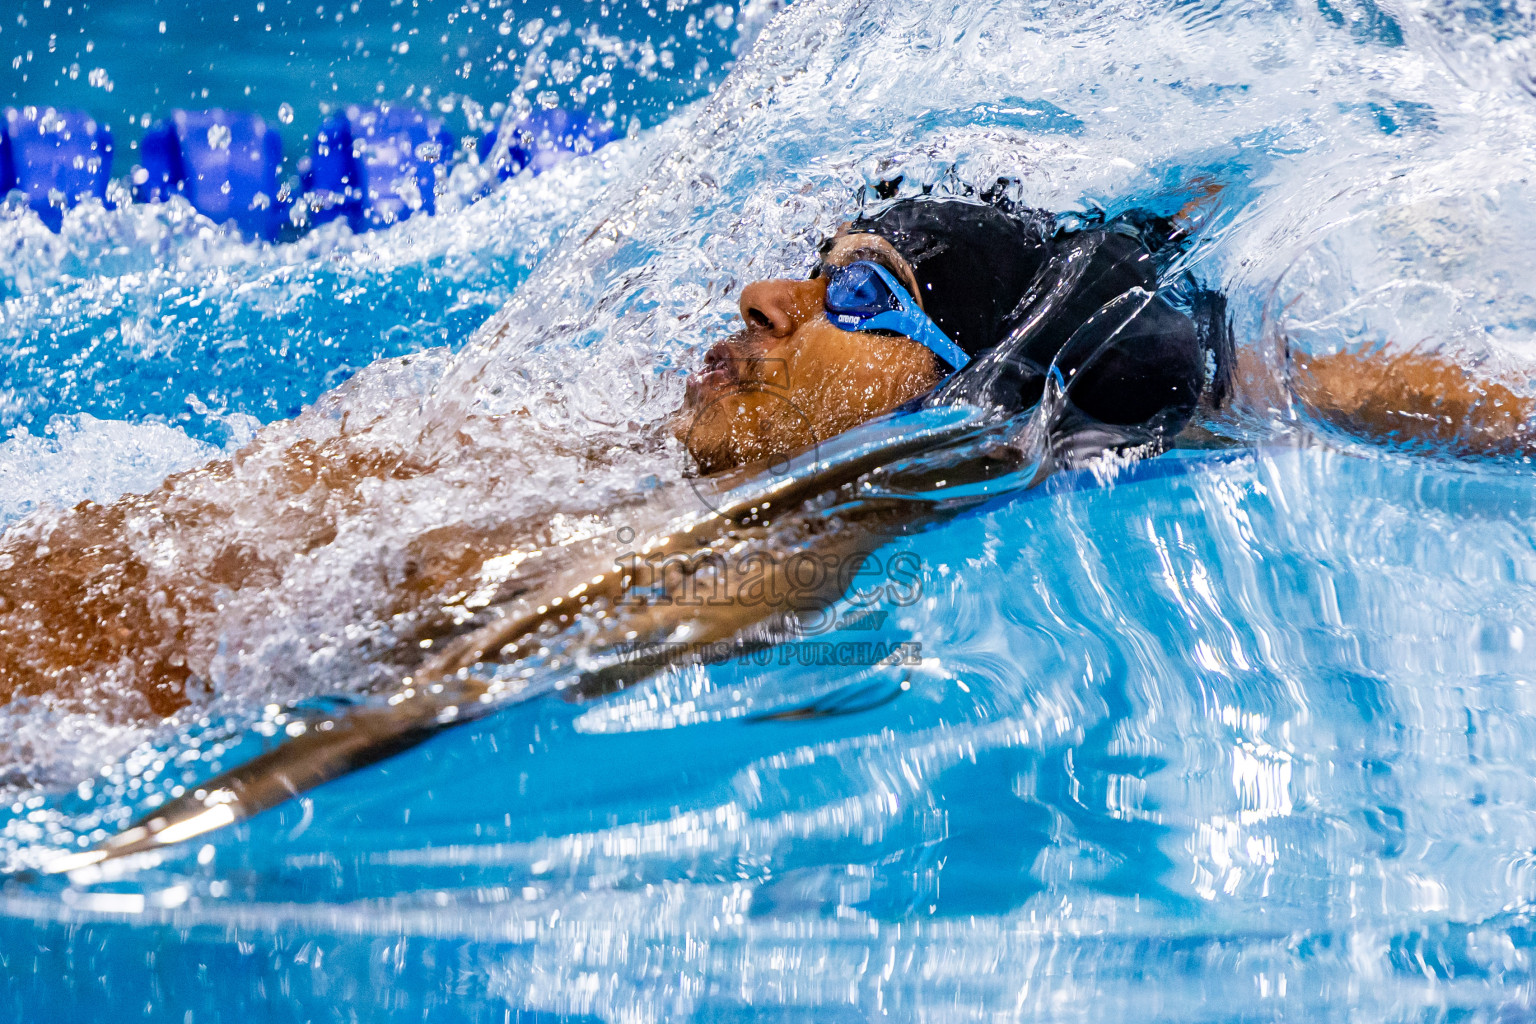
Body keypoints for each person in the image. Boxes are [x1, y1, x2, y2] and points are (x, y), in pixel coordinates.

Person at [2, 188, 1532, 725]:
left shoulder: (781, 559)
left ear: (954, 396)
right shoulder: (624, 438)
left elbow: (1262, 384)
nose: (767, 298)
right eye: (813, 267)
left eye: (860, 297)